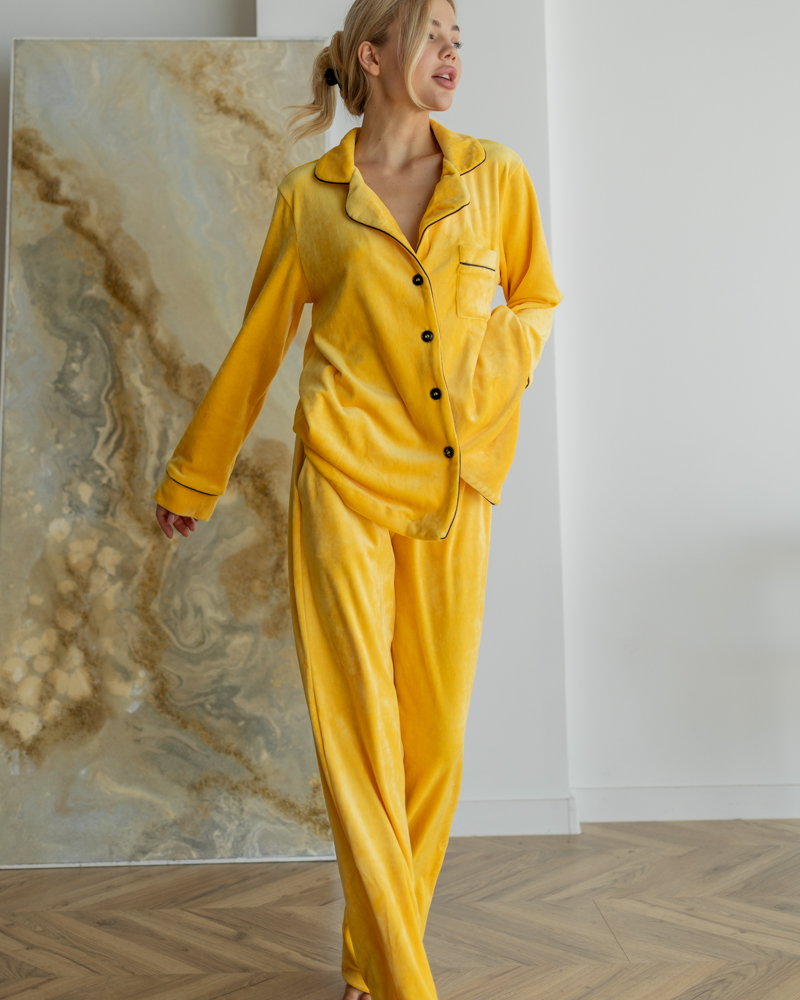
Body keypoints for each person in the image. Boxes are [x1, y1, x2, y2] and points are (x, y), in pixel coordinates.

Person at [154, 0, 561, 996]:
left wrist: (486, 373)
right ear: (372, 56)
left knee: (435, 745)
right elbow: (259, 346)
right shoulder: (311, 198)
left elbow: (535, 298)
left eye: (460, 38)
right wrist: (195, 476)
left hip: (455, 485)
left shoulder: (495, 177)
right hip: (339, 481)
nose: (454, 53)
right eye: (434, 35)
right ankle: (404, 984)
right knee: (359, 735)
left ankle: (370, 964)